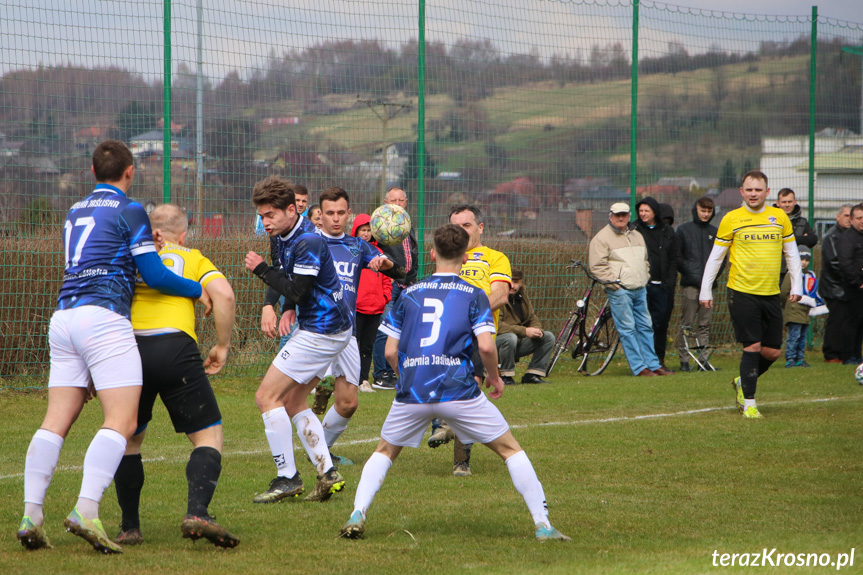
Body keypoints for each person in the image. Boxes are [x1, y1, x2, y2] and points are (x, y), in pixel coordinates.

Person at [18, 140, 209, 554]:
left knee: (56, 421)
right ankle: (86, 510)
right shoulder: (130, 209)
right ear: (130, 171)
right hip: (104, 319)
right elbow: (155, 275)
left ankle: (31, 515)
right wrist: (197, 290)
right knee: (121, 422)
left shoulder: (74, 211)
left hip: (64, 317)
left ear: (91, 171)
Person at [338, 224, 570, 543]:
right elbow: (487, 347)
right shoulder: (474, 294)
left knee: (385, 451)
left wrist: (407, 375)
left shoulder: (410, 293)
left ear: (432, 253)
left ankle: (357, 513)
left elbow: (390, 350)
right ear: (464, 258)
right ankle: (542, 524)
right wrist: (494, 378)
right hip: (458, 389)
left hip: (413, 390)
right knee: (509, 449)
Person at [113, 204, 238, 548]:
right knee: (208, 436)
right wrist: (222, 347)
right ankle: (197, 511)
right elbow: (224, 295)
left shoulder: (132, 254)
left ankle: (129, 527)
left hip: (129, 348)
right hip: (175, 348)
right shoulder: (193, 257)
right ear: (182, 235)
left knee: (128, 440)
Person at [244, 176, 352, 503]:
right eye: (262, 216)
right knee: (292, 402)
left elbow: (293, 286)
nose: (265, 223)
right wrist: (286, 308)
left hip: (323, 330)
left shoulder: (309, 241)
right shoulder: (283, 235)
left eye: (270, 215)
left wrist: (261, 270)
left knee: (267, 397)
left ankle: (287, 477)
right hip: (322, 326)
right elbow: (288, 276)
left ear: (292, 210)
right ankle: (327, 472)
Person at [310, 188, 403, 465]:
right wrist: (277, 307)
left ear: (349, 214)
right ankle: (299, 456)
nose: (336, 219)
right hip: (314, 330)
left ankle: (319, 451)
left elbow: (397, 271)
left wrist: (382, 262)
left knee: (349, 403)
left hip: (346, 334)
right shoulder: (309, 244)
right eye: (330, 213)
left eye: (341, 213)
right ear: (320, 215)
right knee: (289, 395)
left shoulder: (357, 246)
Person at [700, 170, 802, 419]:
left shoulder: (779, 217)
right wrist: (706, 288)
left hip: (771, 293)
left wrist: (797, 285)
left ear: (767, 193)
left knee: (772, 352)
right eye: (749, 189)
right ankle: (750, 404)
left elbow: (792, 253)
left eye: (758, 190)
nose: (753, 194)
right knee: (753, 346)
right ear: (741, 192)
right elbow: (716, 257)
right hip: (741, 292)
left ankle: (741, 380)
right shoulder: (731, 219)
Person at [429, 204, 512, 478]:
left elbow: (500, 295)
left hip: (478, 332)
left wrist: (464, 313)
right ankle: (443, 425)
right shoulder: (447, 256)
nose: (461, 231)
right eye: (455, 226)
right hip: (442, 333)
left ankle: (460, 460)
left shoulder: (495, 258)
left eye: (466, 225)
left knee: (470, 388)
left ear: (480, 227)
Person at [588, 202, 672, 377]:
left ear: (628, 216)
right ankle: (639, 367)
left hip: (640, 288)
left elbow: (645, 260)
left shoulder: (636, 235)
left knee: (646, 327)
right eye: (617, 215)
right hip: (620, 291)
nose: (621, 218)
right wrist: (615, 285)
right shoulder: (602, 237)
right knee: (627, 329)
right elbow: (597, 266)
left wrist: (645, 276)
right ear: (610, 216)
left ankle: (653, 364)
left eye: (624, 215)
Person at [372, 187, 419, 390]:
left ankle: (396, 371)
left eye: (401, 200)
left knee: (404, 330)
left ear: (406, 202)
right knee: (385, 328)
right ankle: (381, 374)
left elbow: (412, 255)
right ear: (385, 202)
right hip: (390, 283)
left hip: (408, 283)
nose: (398, 204)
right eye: (393, 200)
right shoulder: (380, 226)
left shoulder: (408, 226)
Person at [674, 197, 725, 372]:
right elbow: (678, 258)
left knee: (704, 323)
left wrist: (710, 278)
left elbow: (721, 259)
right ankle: (684, 360)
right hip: (690, 284)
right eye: (702, 210)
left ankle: (703, 360)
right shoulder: (683, 230)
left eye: (709, 211)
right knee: (687, 323)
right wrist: (692, 273)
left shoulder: (716, 232)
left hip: (710, 287)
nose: (705, 214)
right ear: (695, 210)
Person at [261, 184, 311, 351]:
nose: (301, 204)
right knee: (288, 330)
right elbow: (279, 264)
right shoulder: (280, 229)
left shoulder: (308, 230)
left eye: (304, 201)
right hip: (286, 282)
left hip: (304, 287)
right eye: (297, 200)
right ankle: (284, 366)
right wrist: (269, 303)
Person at [634, 196, 679, 369]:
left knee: (660, 324)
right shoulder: (634, 230)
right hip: (642, 285)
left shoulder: (667, 232)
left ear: (655, 212)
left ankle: (659, 360)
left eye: (647, 210)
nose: (643, 214)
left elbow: (674, 258)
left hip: (663, 286)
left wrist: (671, 281)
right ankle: (643, 361)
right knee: (643, 324)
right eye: (641, 211)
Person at [352, 213, 392, 391]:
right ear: (356, 231)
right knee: (352, 345)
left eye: (369, 230)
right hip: (356, 307)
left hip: (375, 308)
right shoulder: (352, 251)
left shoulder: (379, 254)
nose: (366, 234)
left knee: (367, 347)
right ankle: (349, 379)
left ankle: (363, 380)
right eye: (363, 230)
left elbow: (386, 279)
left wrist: (384, 298)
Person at [497, 269, 555, 385]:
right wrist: (525, 331)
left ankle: (532, 375)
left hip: (516, 342)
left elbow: (532, 317)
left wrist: (538, 331)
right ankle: (505, 376)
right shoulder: (496, 296)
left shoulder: (522, 296)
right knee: (510, 337)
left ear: (521, 282)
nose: (513, 286)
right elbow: (496, 326)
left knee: (548, 337)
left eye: (516, 282)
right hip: (495, 344)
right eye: (510, 282)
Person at [819, 204, 853, 363]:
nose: (848, 219)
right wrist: (854, 278)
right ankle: (831, 354)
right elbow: (834, 264)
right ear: (837, 217)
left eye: (851, 216)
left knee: (851, 322)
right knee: (836, 321)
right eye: (846, 215)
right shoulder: (831, 237)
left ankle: (848, 353)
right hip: (835, 288)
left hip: (851, 286)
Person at [779, 247, 822, 368]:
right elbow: (783, 293)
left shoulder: (810, 275)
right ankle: (790, 358)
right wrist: (788, 305)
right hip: (794, 310)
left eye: (806, 260)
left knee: (802, 337)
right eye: (801, 259)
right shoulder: (791, 275)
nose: (804, 262)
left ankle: (800, 358)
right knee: (794, 336)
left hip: (805, 311)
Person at [835, 203, 863, 365]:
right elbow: (845, 263)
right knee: (852, 321)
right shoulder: (847, 238)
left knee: (861, 322)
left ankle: (857, 354)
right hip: (854, 288)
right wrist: (857, 282)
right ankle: (848, 355)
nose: (862, 221)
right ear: (851, 220)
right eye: (859, 218)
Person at [775, 188, 818, 285]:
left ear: (795, 202)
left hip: (796, 269)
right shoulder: (772, 221)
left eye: (790, 201)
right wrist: (801, 239)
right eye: (784, 202)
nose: (787, 205)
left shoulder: (802, 221)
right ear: (778, 203)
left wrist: (789, 240)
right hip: (777, 270)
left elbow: (813, 239)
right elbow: (774, 242)